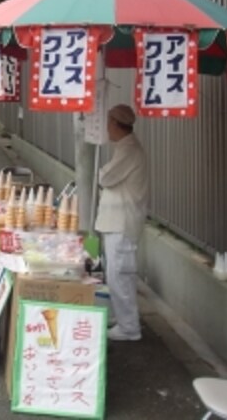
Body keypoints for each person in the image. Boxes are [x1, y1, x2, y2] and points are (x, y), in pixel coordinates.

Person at [94, 104, 149, 341]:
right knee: (116, 274)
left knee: (120, 275)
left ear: (115, 124)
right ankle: (123, 319)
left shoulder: (129, 150)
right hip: (116, 222)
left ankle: (129, 328)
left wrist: (101, 171)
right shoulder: (125, 148)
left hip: (122, 222)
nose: (106, 128)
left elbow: (106, 177)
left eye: (107, 123)